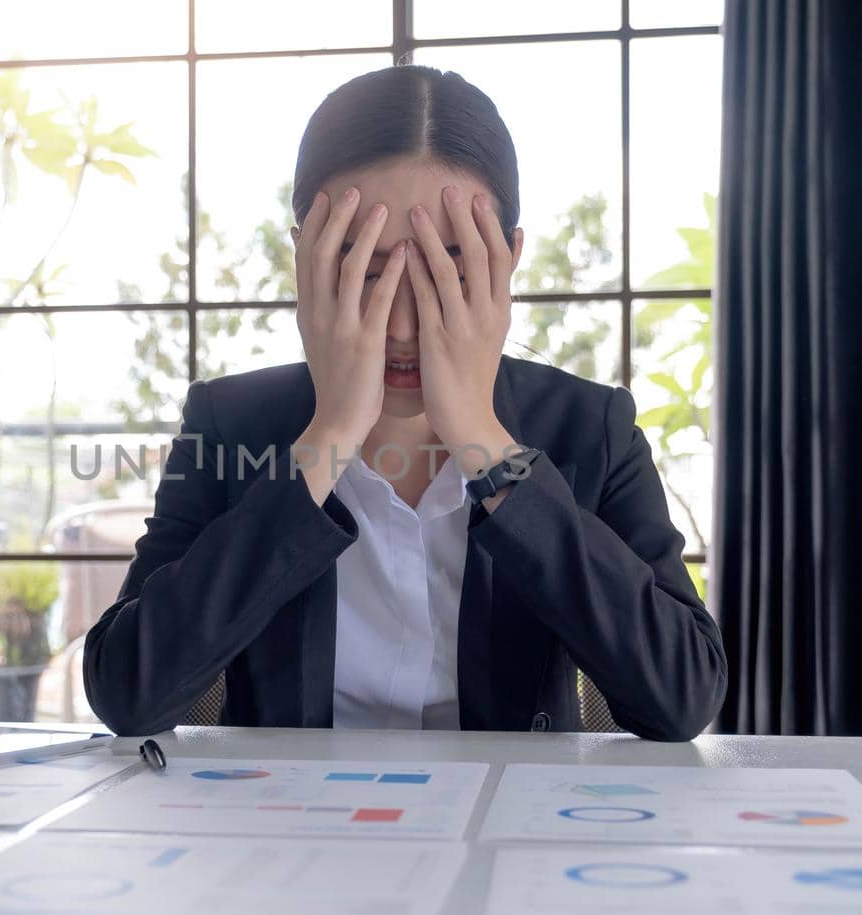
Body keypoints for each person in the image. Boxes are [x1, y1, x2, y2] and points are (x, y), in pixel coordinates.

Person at [83, 63, 726, 740]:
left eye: (444, 267)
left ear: (506, 261)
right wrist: (328, 437)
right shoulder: (229, 422)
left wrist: (485, 442)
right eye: (362, 264)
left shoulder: (591, 429)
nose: (399, 325)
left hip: (506, 831)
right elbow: (128, 691)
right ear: (305, 259)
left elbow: (681, 695)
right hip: (290, 828)